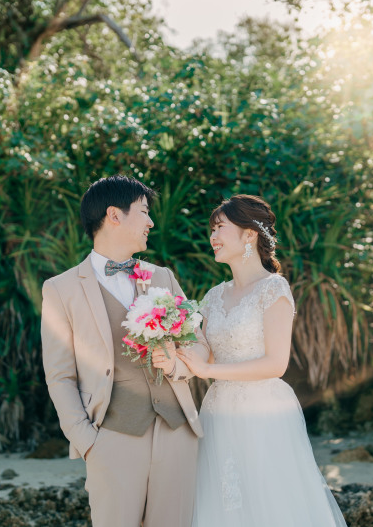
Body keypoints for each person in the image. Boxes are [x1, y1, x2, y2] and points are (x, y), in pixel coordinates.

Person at [40, 174, 209, 527]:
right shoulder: (61, 289)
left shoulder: (161, 277)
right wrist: (88, 441)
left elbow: (197, 342)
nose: (150, 222)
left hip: (177, 433)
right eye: (144, 212)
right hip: (111, 437)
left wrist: (178, 365)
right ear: (114, 216)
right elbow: (60, 375)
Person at [177, 194, 348, 527]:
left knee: (270, 503)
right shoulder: (214, 296)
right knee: (223, 501)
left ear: (249, 234)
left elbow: (276, 363)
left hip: (263, 411)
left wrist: (208, 370)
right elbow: (204, 351)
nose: (212, 237)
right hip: (218, 411)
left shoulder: (273, 289)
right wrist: (175, 345)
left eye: (220, 228)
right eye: (211, 229)